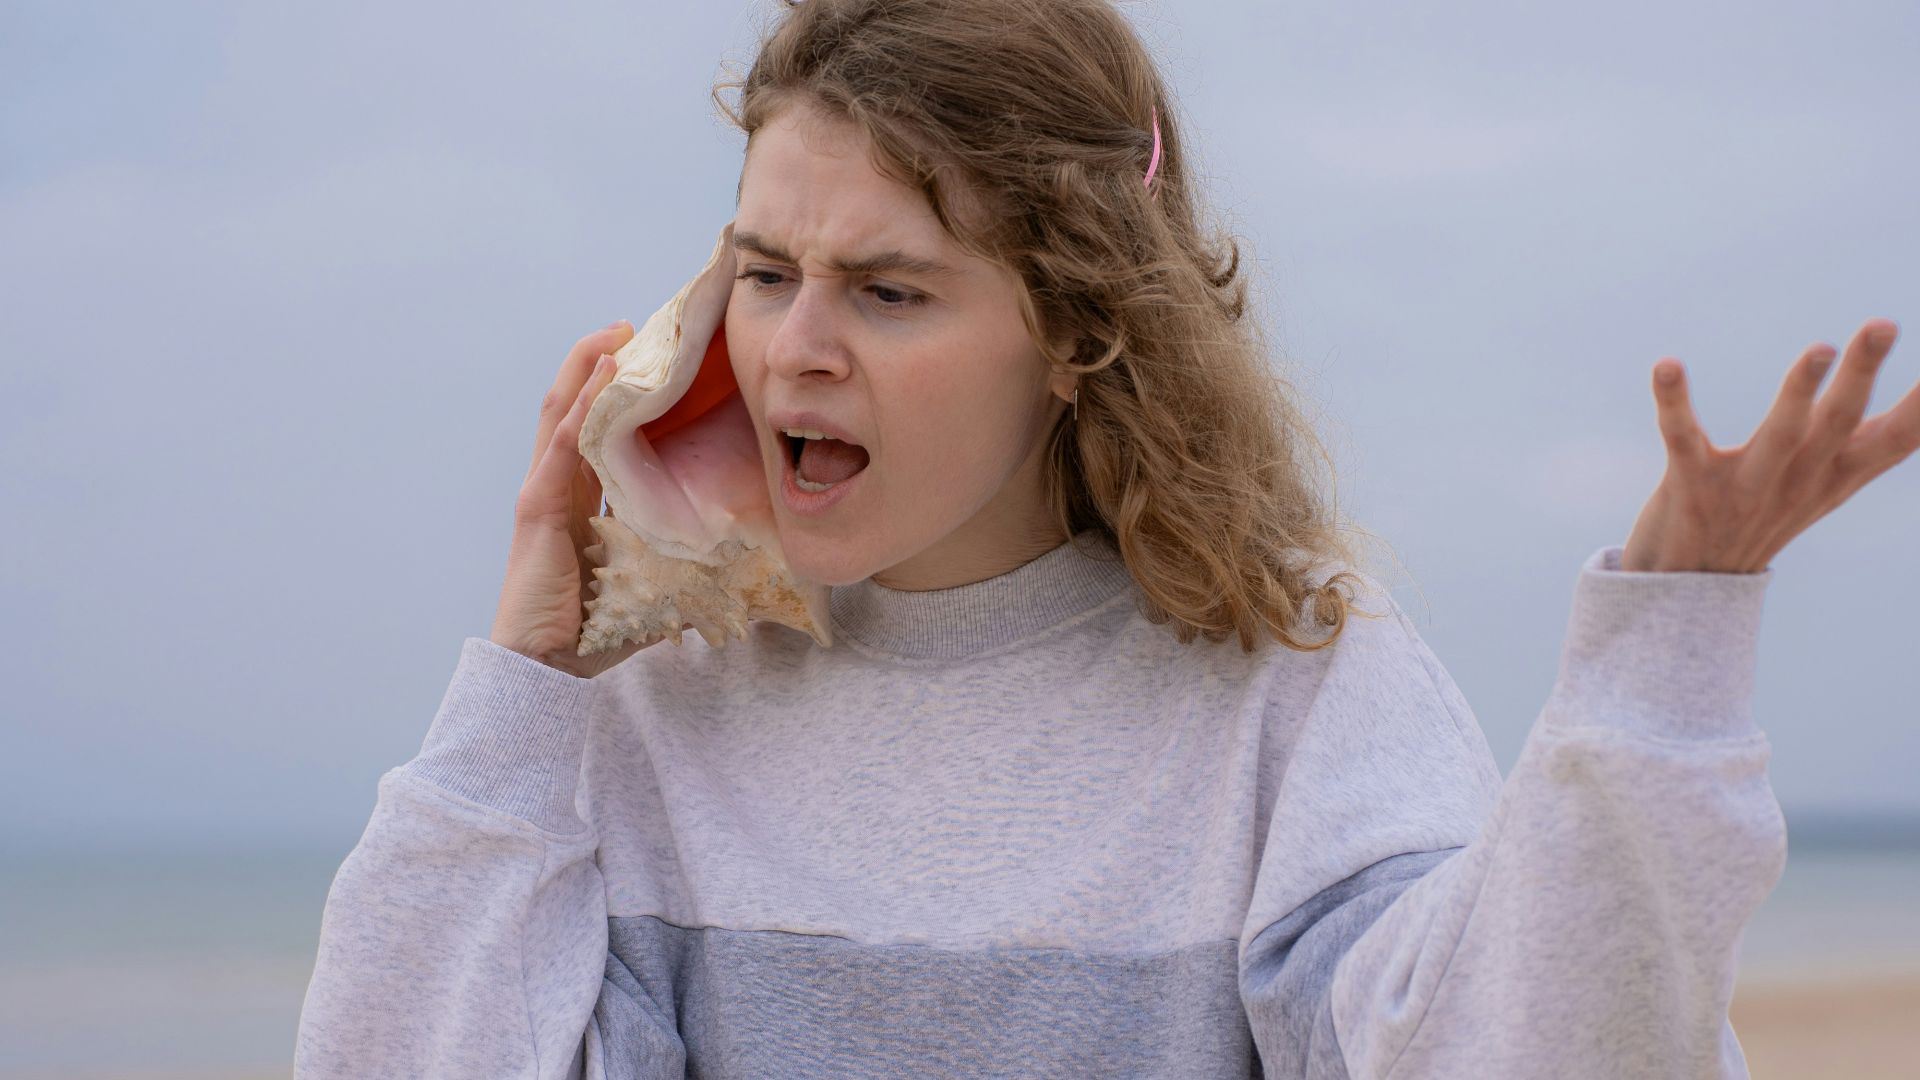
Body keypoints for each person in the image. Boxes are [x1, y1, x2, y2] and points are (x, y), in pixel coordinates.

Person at [293, 1, 1917, 1077]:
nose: (792, 346)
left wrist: (1661, 660)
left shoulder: (1288, 678)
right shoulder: (661, 711)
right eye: (765, 269)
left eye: (889, 287)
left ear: (1078, 331)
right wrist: (519, 693)